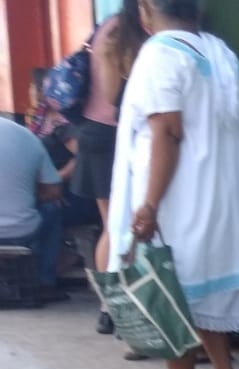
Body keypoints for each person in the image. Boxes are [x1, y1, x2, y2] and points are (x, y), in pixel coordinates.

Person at [108, 0, 239, 369]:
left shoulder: (159, 53)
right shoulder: (224, 55)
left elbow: (167, 131)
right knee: (204, 296)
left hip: (177, 201)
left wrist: (149, 204)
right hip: (225, 199)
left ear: (145, 9)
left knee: (171, 295)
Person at [80, 2, 149, 334]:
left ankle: (111, 309)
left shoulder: (109, 26)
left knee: (112, 225)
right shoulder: (124, 32)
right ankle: (119, 309)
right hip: (115, 137)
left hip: (96, 134)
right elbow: (113, 98)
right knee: (119, 226)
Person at [0, 118, 68, 301]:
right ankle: (46, 283)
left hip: (21, 230)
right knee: (53, 208)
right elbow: (54, 191)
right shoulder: (26, 135)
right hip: (22, 230)